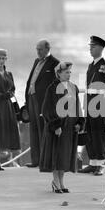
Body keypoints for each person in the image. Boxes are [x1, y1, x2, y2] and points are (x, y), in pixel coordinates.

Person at [39, 61, 85, 193]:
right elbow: (47, 109)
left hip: (70, 127)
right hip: (58, 127)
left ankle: (62, 181)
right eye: (66, 72)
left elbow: (78, 107)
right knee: (56, 154)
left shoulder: (74, 87)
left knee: (65, 155)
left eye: (70, 72)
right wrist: (55, 125)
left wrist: (79, 123)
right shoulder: (52, 88)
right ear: (58, 73)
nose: (69, 74)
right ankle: (55, 181)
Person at [78, 36, 105, 176]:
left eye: (93, 47)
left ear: (100, 48)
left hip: (99, 105)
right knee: (90, 134)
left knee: (99, 134)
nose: (90, 49)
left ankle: (100, 164)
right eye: (90, 46)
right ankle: (93, 163)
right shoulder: (91, 65)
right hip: (89, 104)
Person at [25, 39, 59, 168]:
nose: (38, 51)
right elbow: (31, 80)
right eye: (37, 49)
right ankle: (36, 160)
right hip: (32, 98)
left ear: (47, 49)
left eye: (40, 49)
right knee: (33, 129)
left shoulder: (55, 63)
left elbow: (56, 85)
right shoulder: (36, 61)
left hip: (43, 102)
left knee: (42, 130)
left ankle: (44, 161)